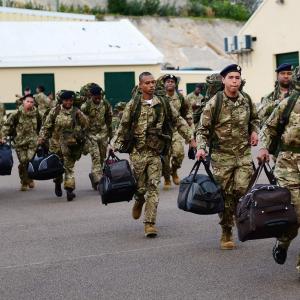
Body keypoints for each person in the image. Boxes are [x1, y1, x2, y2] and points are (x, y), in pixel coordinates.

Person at [113, 72, 195, 237]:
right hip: (137, 152)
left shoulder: (163, 102)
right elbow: (123, 126)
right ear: (141, 85)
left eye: (153, 82)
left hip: (156, 151)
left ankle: (149, 223)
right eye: (147, 83)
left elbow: (178, 120)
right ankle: (138, 200)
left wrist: (190, 138)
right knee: (140, 188)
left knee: (153, 188)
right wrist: (114, 143)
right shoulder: (133, 104)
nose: (151, 85)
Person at [196, 64, 259, 250]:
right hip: (221, 157)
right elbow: (202, 130)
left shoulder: (246, 99)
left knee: (241, 189)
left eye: (237, 78)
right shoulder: (215, 103)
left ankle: (236, 217)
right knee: (224, 194)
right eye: (231, 77)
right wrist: (201, 148)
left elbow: (254, 119)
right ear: (223, 80)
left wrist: (254, 131)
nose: (234, 81)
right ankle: (226, 230)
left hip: (243, 155)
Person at [258, 67, 300, 276]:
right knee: (295, 214)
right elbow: (269, 127)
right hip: (288, 165)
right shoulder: (288, 103)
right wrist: (264, 147)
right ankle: (283, 243)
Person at [38, 90, 88, 201]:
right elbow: (46, 127)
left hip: (70, 145)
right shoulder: (54, 111)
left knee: (69, 167)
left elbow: (85, 124)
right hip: (55, 145)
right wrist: (42, 139)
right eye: (66, 100)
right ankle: (57, 183)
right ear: (62, 101)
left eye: (70, 100)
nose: (68, 103)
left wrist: (81, 119)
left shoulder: (76, 111)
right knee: (57, 168)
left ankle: (69, 190)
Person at [1, 94, 42, 191]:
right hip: (20, 143)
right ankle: (24, 181)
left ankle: (29, 178)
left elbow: (41, 125)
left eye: (32, 102)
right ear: (23, 102)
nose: (29, 103)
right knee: (23, 161)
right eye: (28, 101)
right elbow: (7, 126)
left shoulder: (37, 113)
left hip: (32, 142)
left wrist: (41, 137)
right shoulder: (16, 113)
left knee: (29, 160)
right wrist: (2, 136)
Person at [162, 74, 193, 188]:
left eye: (172, 81)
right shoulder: (160, 97)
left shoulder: (180, 97)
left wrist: (189, 121)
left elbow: (187, 110)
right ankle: (166, 178)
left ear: (175, 84)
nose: (170, 83)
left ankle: (174, 171)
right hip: (163, 131)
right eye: (168, 81)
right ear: (164, 84)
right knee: (165, 158)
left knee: (179, 153)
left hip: (176, 130)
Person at [81, 84, 112, 190]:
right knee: (96, 157)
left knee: (102, 157)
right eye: (96, 97)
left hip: (103, 133)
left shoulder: (105, 104)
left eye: (99, 97)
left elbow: (109, 118)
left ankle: (94, 176)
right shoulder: (86, 106)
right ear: (91, 96)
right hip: (91, 135)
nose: (98, 99)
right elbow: (80, 121)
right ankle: (99, 181)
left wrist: (110, 134)